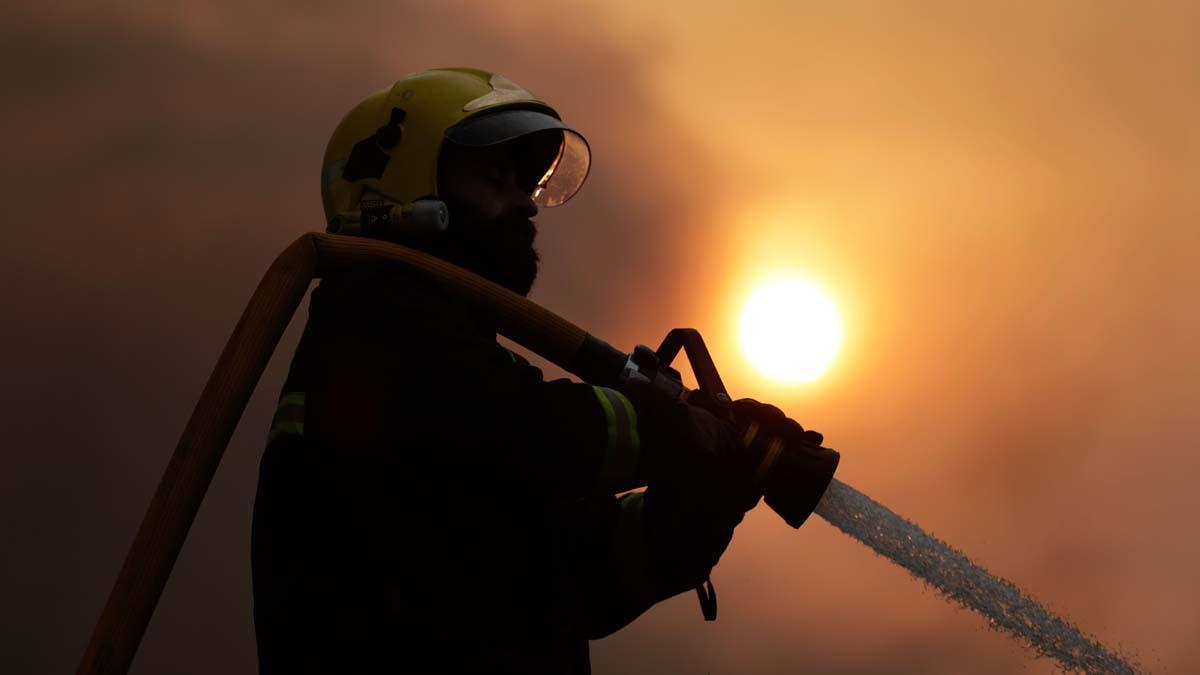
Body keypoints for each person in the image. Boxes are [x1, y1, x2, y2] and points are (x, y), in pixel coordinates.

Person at [251, 67, 837, 674]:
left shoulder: (450, 362)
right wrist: (689, 432)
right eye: (495, 178)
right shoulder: (370, 322)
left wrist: (706, 498)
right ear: (401, 189)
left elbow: (579, 578)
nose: (526, 204)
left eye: (528, 184)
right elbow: (533, 431)